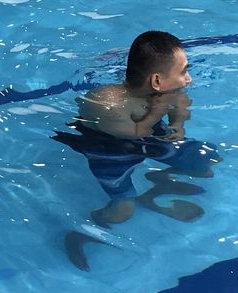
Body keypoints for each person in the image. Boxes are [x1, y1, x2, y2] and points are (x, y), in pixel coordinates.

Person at [57, 30, 218, 270]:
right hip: (109, 149)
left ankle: (157, 182)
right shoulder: (107, 104)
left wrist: (177, 125)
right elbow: (133, 133)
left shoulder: (169, 89)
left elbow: (181, 106)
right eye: (184, 72)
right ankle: (82, 233)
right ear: (156, 81)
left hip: (147, 136)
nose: (189, 79)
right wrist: (158, 110)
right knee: (123, 210)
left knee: (207, 160)